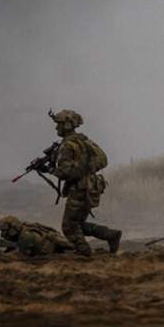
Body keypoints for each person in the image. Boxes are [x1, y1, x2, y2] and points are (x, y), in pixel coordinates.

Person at [49, 109, 122, 256]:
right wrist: (87, 168)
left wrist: (51, 170)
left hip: (79, 189)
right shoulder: (84, 140)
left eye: (59, 124)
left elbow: (66, 174)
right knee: (77, 224)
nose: (57, 128)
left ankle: (83, 252)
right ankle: (111, 235)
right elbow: (103, 160)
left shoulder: (67, 145)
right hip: (91, 188)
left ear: (67, 125)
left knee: (69, 226)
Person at [0, 215, 74, 256]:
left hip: (55, 249)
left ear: (12, 229)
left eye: (4, 231)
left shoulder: (26, 236)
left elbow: (20, 255)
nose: (2, 234)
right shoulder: (21, 232)